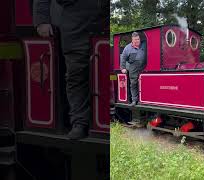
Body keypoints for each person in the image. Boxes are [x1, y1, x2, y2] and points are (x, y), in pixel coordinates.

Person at [33, 0, 105, 139]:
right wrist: (42, 19)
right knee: (76, 74)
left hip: (104, 14)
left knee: (103, 70)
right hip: (74, 16)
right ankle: (79, 122)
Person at [120, 32, 146, 107]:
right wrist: (123, 68)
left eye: (138, 39)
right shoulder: (127, 48)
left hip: (144, 65)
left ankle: (143, 99)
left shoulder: (144, 44)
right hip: (133, 67)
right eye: (135, 40)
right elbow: (123, 58)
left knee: (144, 82)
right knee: (134, 83)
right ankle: (134, 100)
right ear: (132, 40)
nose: (137, 41)